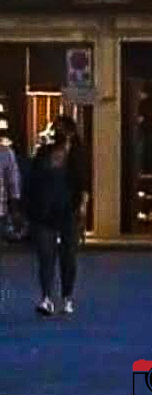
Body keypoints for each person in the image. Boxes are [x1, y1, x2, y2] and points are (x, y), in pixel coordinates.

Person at [26, 129, 79, 316]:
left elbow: (81, 185)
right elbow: (31, 184)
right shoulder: (42, 158)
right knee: (46, 257)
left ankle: (66, 297)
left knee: (68, 257)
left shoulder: (74, 161)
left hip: (67, 214)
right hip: (44, 214)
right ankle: (47, 297)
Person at [0, 135, 21, 240]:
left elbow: (13, 181)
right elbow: (13, 181)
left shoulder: (5, 152)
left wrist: (14, 204)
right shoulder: (5, 152)